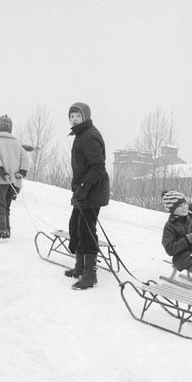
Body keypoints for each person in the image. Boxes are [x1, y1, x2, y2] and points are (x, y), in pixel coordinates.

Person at [64, 102, 110, 290]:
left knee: (86, 231)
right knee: (75, 226)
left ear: (85, 117)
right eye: (71, 116)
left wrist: (84, 187)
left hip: (92, 192)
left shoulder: (89, 135)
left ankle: (90, 275)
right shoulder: (81, 134)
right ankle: (79, 267)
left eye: (77, 115)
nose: (74, 119)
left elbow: (98, 166)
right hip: (84, 191)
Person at [0, 114, 30, 241]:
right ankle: (7, 230)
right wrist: (22, 171)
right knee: (6, 206)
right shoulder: (16, 142)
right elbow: (25, 158)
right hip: (14, 181)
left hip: (1, 179)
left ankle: (1, 229)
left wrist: (0, 170)